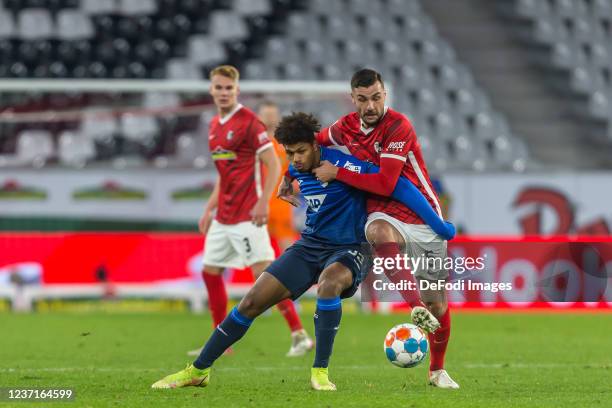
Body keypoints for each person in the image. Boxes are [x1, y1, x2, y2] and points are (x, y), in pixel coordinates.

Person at [152, 112, 454, 391]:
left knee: (329, 284)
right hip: (310, 245)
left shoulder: (342, 164)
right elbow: (293, 167)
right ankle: (198, 370)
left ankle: (320, 372)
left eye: (300, 151)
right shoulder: (298, 168)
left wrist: (440, 225)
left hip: (350, 250)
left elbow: (397, 187)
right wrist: (286, 176)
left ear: (315, 144)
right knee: (252, 301)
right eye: (290, 153)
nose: (295, 159)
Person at [309, 68, 459, 389]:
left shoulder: (398, 126)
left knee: (438, 303)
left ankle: (437, 370)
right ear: (353, 99)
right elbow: (313, 142)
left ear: (384, 95)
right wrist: (289, 172)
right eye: (363, 100)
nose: (370, 106)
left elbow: (385, 182)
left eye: (376, 98)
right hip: (383, 214)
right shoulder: (345, 127)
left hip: (422, 217)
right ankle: (414, 306)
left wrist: (338, 172)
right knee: (378, 232)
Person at [189, 65, 312, 358]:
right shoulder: (214, 125)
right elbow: (224, 173)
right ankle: (222, 342)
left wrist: (261, 201)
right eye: (218, 87)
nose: (223, 92)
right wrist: (209, 208)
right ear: (211, 90)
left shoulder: (248, 122)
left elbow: (273, 165)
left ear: (236, 90)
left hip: (247, 215)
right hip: (224, 216)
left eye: (228, 88)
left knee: (266, 280)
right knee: (210, 272)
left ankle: (299, 334)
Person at [257, 100, 299, 254]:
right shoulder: (251, 144)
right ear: (259, 117)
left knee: (288, 249)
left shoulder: (287, 145)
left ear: (278, 118)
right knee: (257, 252)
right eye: (266, 115)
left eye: (272, 115)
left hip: (280, 205)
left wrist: (294, 187)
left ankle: (294, 277)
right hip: (256, 205)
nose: (269, 119)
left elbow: (301, 172)